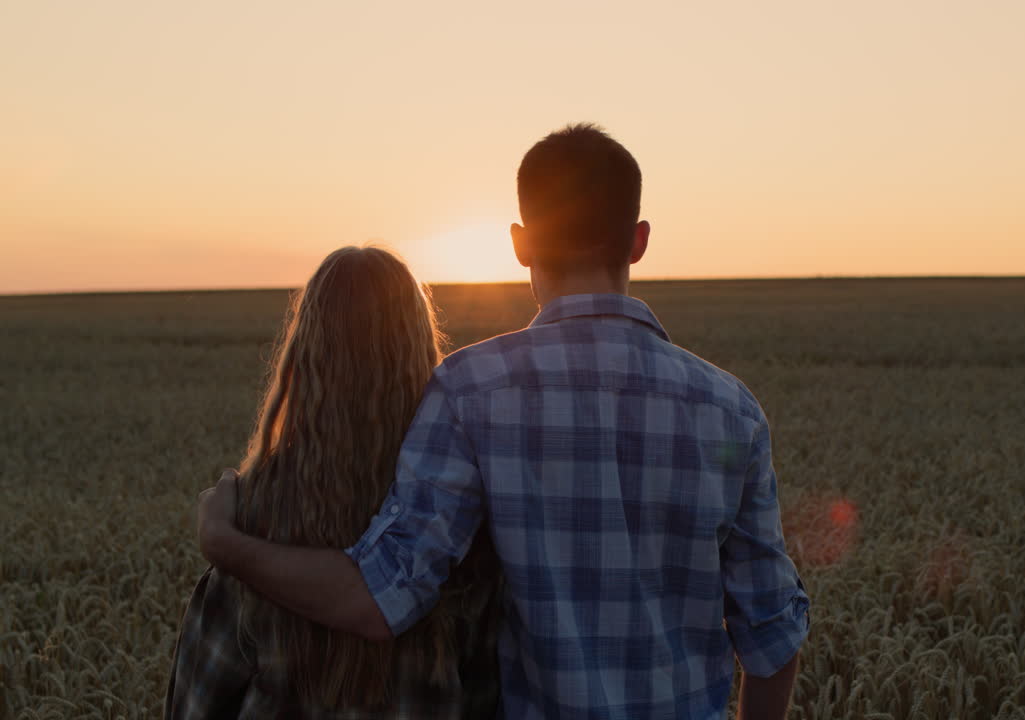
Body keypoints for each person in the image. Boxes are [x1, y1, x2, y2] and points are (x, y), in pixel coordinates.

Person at [195, 123, 809, 720]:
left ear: (520, 242)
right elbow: (773, 634)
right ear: (639, 240)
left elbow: (383, 598)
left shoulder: (471, 391)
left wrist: (231, 547)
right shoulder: (733, 411)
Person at [168, 247, 503, 719]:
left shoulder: (247, 515)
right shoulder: (455, 512)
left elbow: (198, 701)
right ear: (419, 351)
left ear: (305, 354)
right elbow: (487, 695)